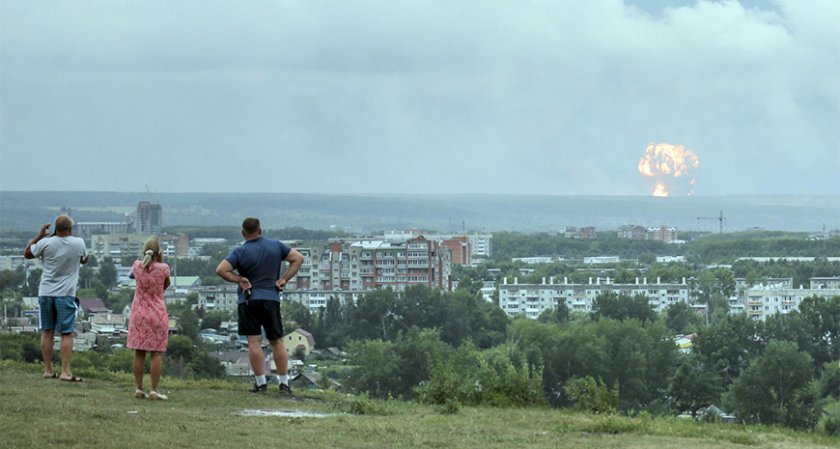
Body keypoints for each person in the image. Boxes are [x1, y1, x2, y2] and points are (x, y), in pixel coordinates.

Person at [216, 217, 304, 395]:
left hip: (249, 299)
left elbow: (221, 270)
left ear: (243, 233)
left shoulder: (240, 251)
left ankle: (261, 383)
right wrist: (284, 279)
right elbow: (298, 259)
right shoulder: (276, 246)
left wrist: (239, 279)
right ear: (260, 230)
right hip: (271, 298)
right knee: (277, 341)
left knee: (254, 342)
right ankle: (284, 384)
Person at [24, 215, 88, 382]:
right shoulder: (78, 242)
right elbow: (85, 259)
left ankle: (48, 369)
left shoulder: (46, 243)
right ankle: (65, 371)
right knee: (66, 333)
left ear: (55, 229)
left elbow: (27, 253)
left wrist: (40, 235)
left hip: (45, 292)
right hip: (66, 294)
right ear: (70, 228)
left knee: (47, 331)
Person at [126, 237, 171, 400]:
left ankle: (139, 388)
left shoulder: (137, 266)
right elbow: (166, 285)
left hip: (139, 313)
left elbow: (131, 276)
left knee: (139, 353)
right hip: (157, 314)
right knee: (156, 353)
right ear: (159, 252)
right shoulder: (164, 268)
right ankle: (154, 390)